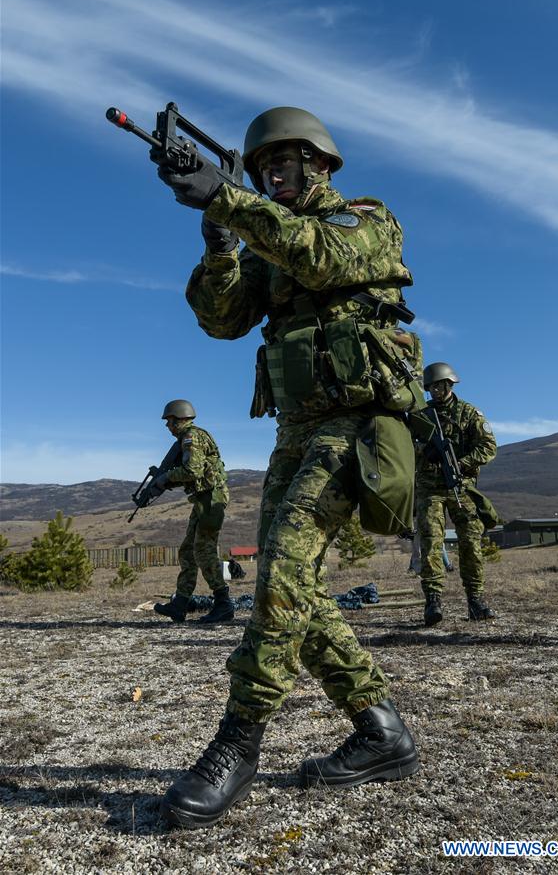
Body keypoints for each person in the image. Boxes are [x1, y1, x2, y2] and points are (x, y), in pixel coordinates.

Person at [155, 107, 421, 828]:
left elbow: (322, 257)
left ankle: (238, 743)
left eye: (284, 164)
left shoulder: (365, 219)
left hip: (358, 428)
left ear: (320, 165)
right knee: (293, 588)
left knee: (278, 572)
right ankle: (382, 732)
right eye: (262, 168)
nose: (272, 176)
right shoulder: (265, 241)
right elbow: (221, 319)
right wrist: (218, 243)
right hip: (295, 433)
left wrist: (227, 200)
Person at [415, 363, 497, 626]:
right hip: (430, 489)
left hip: (462, 486)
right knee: (430, 543)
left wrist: (461, 463)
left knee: (471, 543)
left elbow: (488, 447)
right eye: (432, 387)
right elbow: (405, 449)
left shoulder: (469, 413)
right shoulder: (421, 416)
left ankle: (475, 600)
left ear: (450, 384)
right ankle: (433, 602)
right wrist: (423, 452)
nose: (436, 391)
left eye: (440, 385)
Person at [151, 399, 233, 625]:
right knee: (188, 550)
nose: (167, 426)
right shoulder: (188, 438)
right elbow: (193, 472)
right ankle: (180, 604)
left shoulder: (191, 437)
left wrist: (166, 478)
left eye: (169, 421)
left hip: (211, 499)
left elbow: (192, 470)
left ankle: (223, 603)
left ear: (179, 418)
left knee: (203, 550)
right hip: (202, 498)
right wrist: (165, 481)